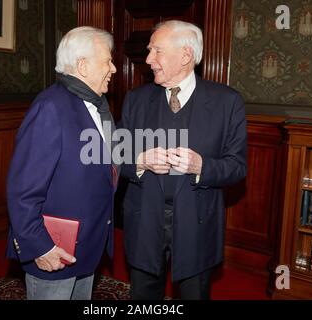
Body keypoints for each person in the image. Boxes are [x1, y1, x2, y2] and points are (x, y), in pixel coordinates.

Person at [120, 20, 247, 300]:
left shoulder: (227, 102)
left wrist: (202, 167)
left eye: (157, 51)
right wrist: (140, 161)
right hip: (145, 221)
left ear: (186, 56)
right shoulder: (136, 100)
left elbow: (238, 167)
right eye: (150, 51)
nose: (149, 59)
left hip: (196, 223)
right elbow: (115, 158)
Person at [6, 26, 117, 300]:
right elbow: (22, 190)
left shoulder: (97, 106)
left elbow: (104, 163)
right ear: (83, 66)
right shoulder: (50, 107)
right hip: (53, 249)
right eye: (108, 61)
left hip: (87, 245)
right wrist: (39, 247)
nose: (113, 68)